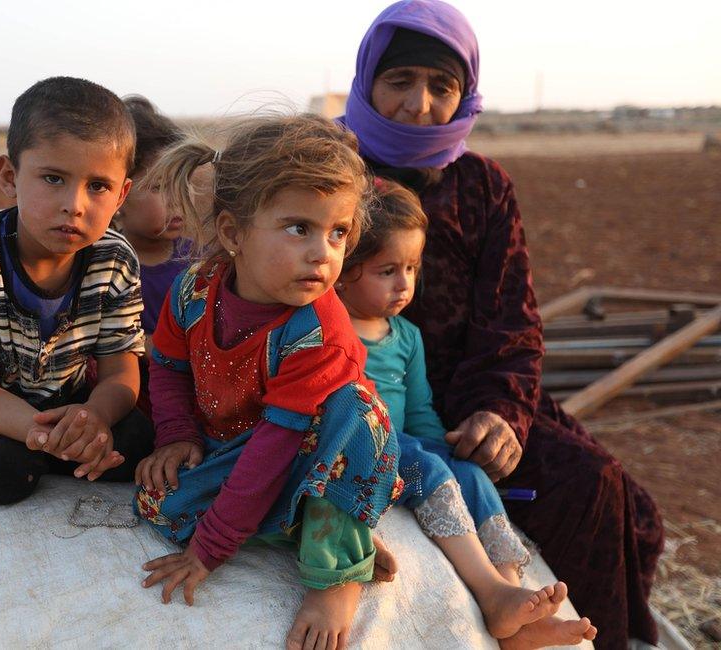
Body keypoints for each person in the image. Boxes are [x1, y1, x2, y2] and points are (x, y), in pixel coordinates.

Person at [131, 114, 564, 650]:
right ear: (231, 232)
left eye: (338, 233)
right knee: (158, 503)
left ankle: (338, 576)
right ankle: (308, 527)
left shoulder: (318, 330)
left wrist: (209, 550)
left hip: (320, 452)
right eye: (299, 228)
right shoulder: (194, 290)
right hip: (235, 447)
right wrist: (176, 434)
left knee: (356, 410)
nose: (323, 252)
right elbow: (170, 365)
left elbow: (276, 447)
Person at [339, 2, 664, 647]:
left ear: (466, 95)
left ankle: (599, 635)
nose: (418, 104)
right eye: (399, 81)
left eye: (442, 86)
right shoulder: (328, 172)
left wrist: (500, 414)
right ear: (368, 81)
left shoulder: (483, 185)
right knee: (586, 491)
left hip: (468, 399)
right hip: (348, 388)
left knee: (615, 500)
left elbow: (512, 322)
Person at [337, 186, 597, 648]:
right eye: (387, 271)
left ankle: (512, 597)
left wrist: (451, 450)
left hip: (408, 443)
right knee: (429, 464)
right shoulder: (332, 329)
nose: (404, 284)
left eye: (412, 269)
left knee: (470, 474)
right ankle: (489, 591)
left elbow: (419, 411)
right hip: (364, 444)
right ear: (342, 272)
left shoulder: (407, 337)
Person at [0, 77, 154, 505]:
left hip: (61, 396)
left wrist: (92, 418)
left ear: (121, 195)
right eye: (53, 178)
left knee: (136, 444)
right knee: (0, 472)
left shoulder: (115, 259)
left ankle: (52, 451)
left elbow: (120, 370)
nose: (75, 204)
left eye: (98, 186)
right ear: (9, 175)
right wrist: (46, 435)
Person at [115, 96, 190, 414]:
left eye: (179, 184)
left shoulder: (198, 260)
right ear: (118, 195)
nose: (176, 199)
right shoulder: (107, 267)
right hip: (135, 403)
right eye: (159, 187)